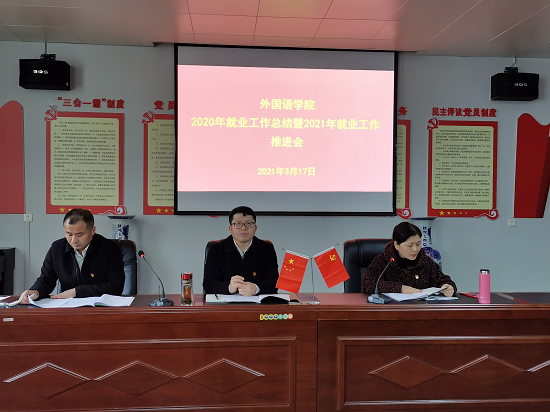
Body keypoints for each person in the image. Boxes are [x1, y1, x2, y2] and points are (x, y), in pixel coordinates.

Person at [19, 209, 125, 303]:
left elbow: (115, 286)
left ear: (93, 231)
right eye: (69, 234)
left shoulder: (110, 249)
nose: (74, 240)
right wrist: (35, 291)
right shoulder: (57, 248)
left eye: (80, 234)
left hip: (100, 306)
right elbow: (46, 279)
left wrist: (77, 292)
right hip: (68, 306)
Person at [362, 222, 457, 297]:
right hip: (390, 310)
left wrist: (448, 287)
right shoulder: (383, 261)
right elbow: (368, 284)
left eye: (418, 244)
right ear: (396, 245)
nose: (415, 249)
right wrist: (399, 288)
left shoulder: (424, 260)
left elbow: (443, 280)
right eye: (410, 245)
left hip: (420, 310)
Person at [203, 206, 279, 296]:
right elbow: (209, 284)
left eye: (248, 223)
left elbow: (274, 282)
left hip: (257, 303)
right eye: (238, 224)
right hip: (225, 303)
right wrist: (229, 287)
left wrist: (256, 288)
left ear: (255, 228)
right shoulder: (216, 250)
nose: (243, 228)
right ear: (230, 229)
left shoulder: (267, 249)